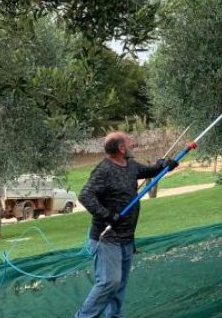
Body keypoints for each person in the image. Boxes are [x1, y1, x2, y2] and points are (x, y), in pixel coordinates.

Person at [75, 131, 178, 318]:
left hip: (126, 237)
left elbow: (149, 171)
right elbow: (85, 196)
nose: (134, 144)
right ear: (121, 148)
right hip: (107, 238)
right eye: (130, 141)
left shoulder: (129, 165)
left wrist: (165, 165)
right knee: (109, 282)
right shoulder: (104, 170)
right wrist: (108, 215)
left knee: (119, 284)